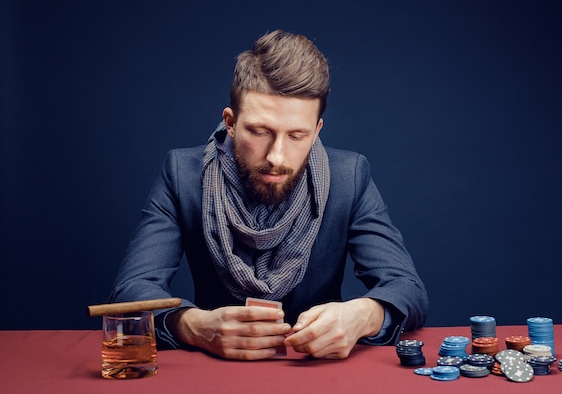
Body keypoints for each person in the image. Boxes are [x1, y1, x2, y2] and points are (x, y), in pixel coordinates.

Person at [110, 29, 428, 360]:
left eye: (296, 135)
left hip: (317, 375)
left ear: (317, 130)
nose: (277, 156)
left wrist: (362, 315)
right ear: (230, 123)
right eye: (260, 132)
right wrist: (194, 326)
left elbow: (407, 288)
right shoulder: (183, 173)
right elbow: (129, 295)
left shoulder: (349, 176)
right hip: (215, 375)